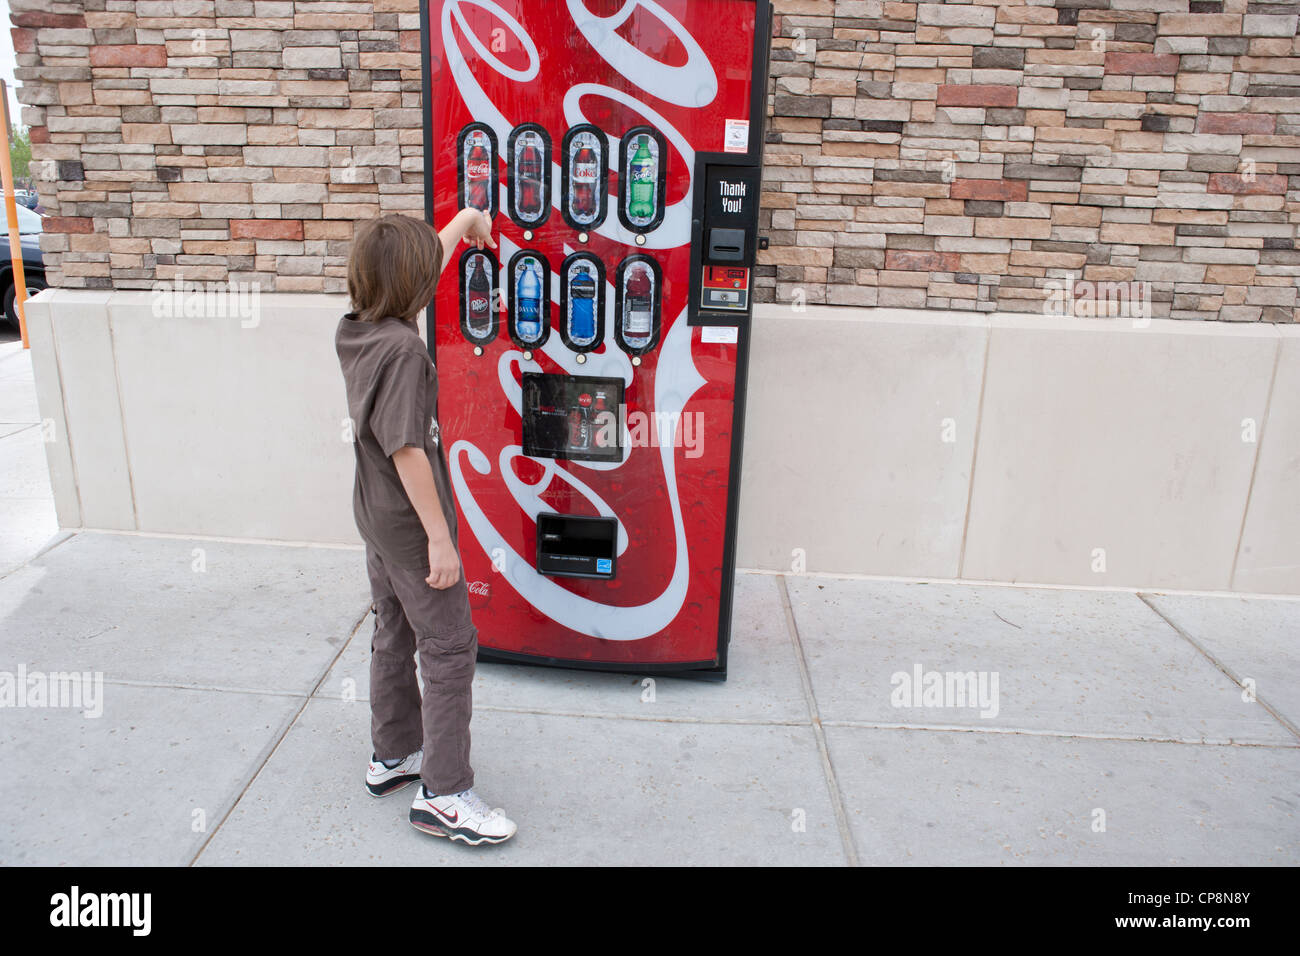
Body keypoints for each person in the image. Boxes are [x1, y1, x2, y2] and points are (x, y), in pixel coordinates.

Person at [336, 211, 516, 846]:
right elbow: (408, 451)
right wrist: (440, 539)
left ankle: (394, 755)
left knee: (393, 628)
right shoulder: (406, 352)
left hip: (374, 516)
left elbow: (416, 265)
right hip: (411, 526)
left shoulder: (359, 327)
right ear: (414, 287)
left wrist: (466, 219)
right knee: (448, 646)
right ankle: (443, 794)